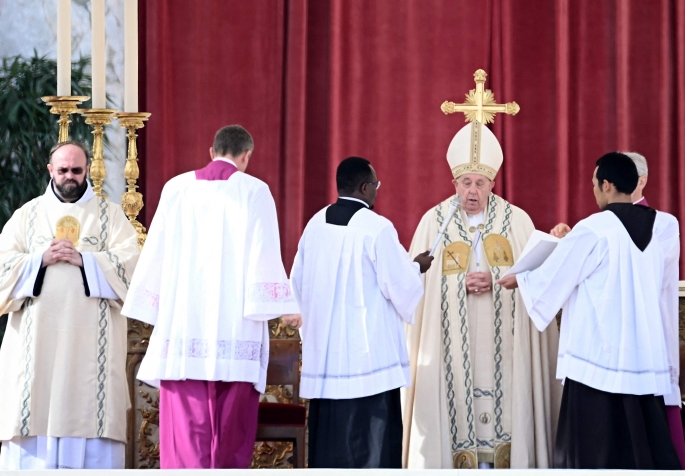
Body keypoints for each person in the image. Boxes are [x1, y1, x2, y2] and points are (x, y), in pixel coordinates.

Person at [122, 125, 298, 469]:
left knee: (186, 429)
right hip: (236, 327)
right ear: (246, 155)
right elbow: (265, 255)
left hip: (184, 324)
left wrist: (151, 305)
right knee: (231, 429)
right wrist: (282, 307)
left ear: (211, 150)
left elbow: (154, 251)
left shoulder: (176, 189)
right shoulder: (255, 190)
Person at [500, 152, 681, 469]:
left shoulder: (594, 228)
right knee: (640, 449)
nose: (594, 191)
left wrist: (522, 278)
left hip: (597, 359)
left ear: (607, 185)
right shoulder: (661, 229)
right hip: (642, 357)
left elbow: (555, 276)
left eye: (595, 184)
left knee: (593, 451)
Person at [403, 119, 559, 469]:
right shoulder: (434, 221)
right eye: (465, 183)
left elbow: (536, 278)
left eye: (480, 183)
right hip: (449, 347)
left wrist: (497, 279)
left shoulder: (516, 221)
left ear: (493, 183)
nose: (472, 191)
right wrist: (457, 284)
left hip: (503, 339)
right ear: (453, 182)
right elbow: (417, 289)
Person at [0, 141, 140, 469]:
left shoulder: (111, 215)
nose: (69, 177)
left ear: (87, 170)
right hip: (37, 347)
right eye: (63, 170)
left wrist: (85, 260)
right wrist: (39, 260)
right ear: (50, 171)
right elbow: (0, 262)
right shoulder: (27, 215)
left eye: (76, 170)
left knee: (88, 409)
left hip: (89, 348)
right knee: (34, 406)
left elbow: (132, 263)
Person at [290, 157, 433, 468]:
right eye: (376, 186)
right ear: (366, 187)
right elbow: (398, 285)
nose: (377, 192)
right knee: (372, 448)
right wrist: (417, 267)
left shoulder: (314, 224)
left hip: (327, 359)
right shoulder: (377, 228)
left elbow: (297, 284)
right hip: (369, 361)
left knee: (330, 448)